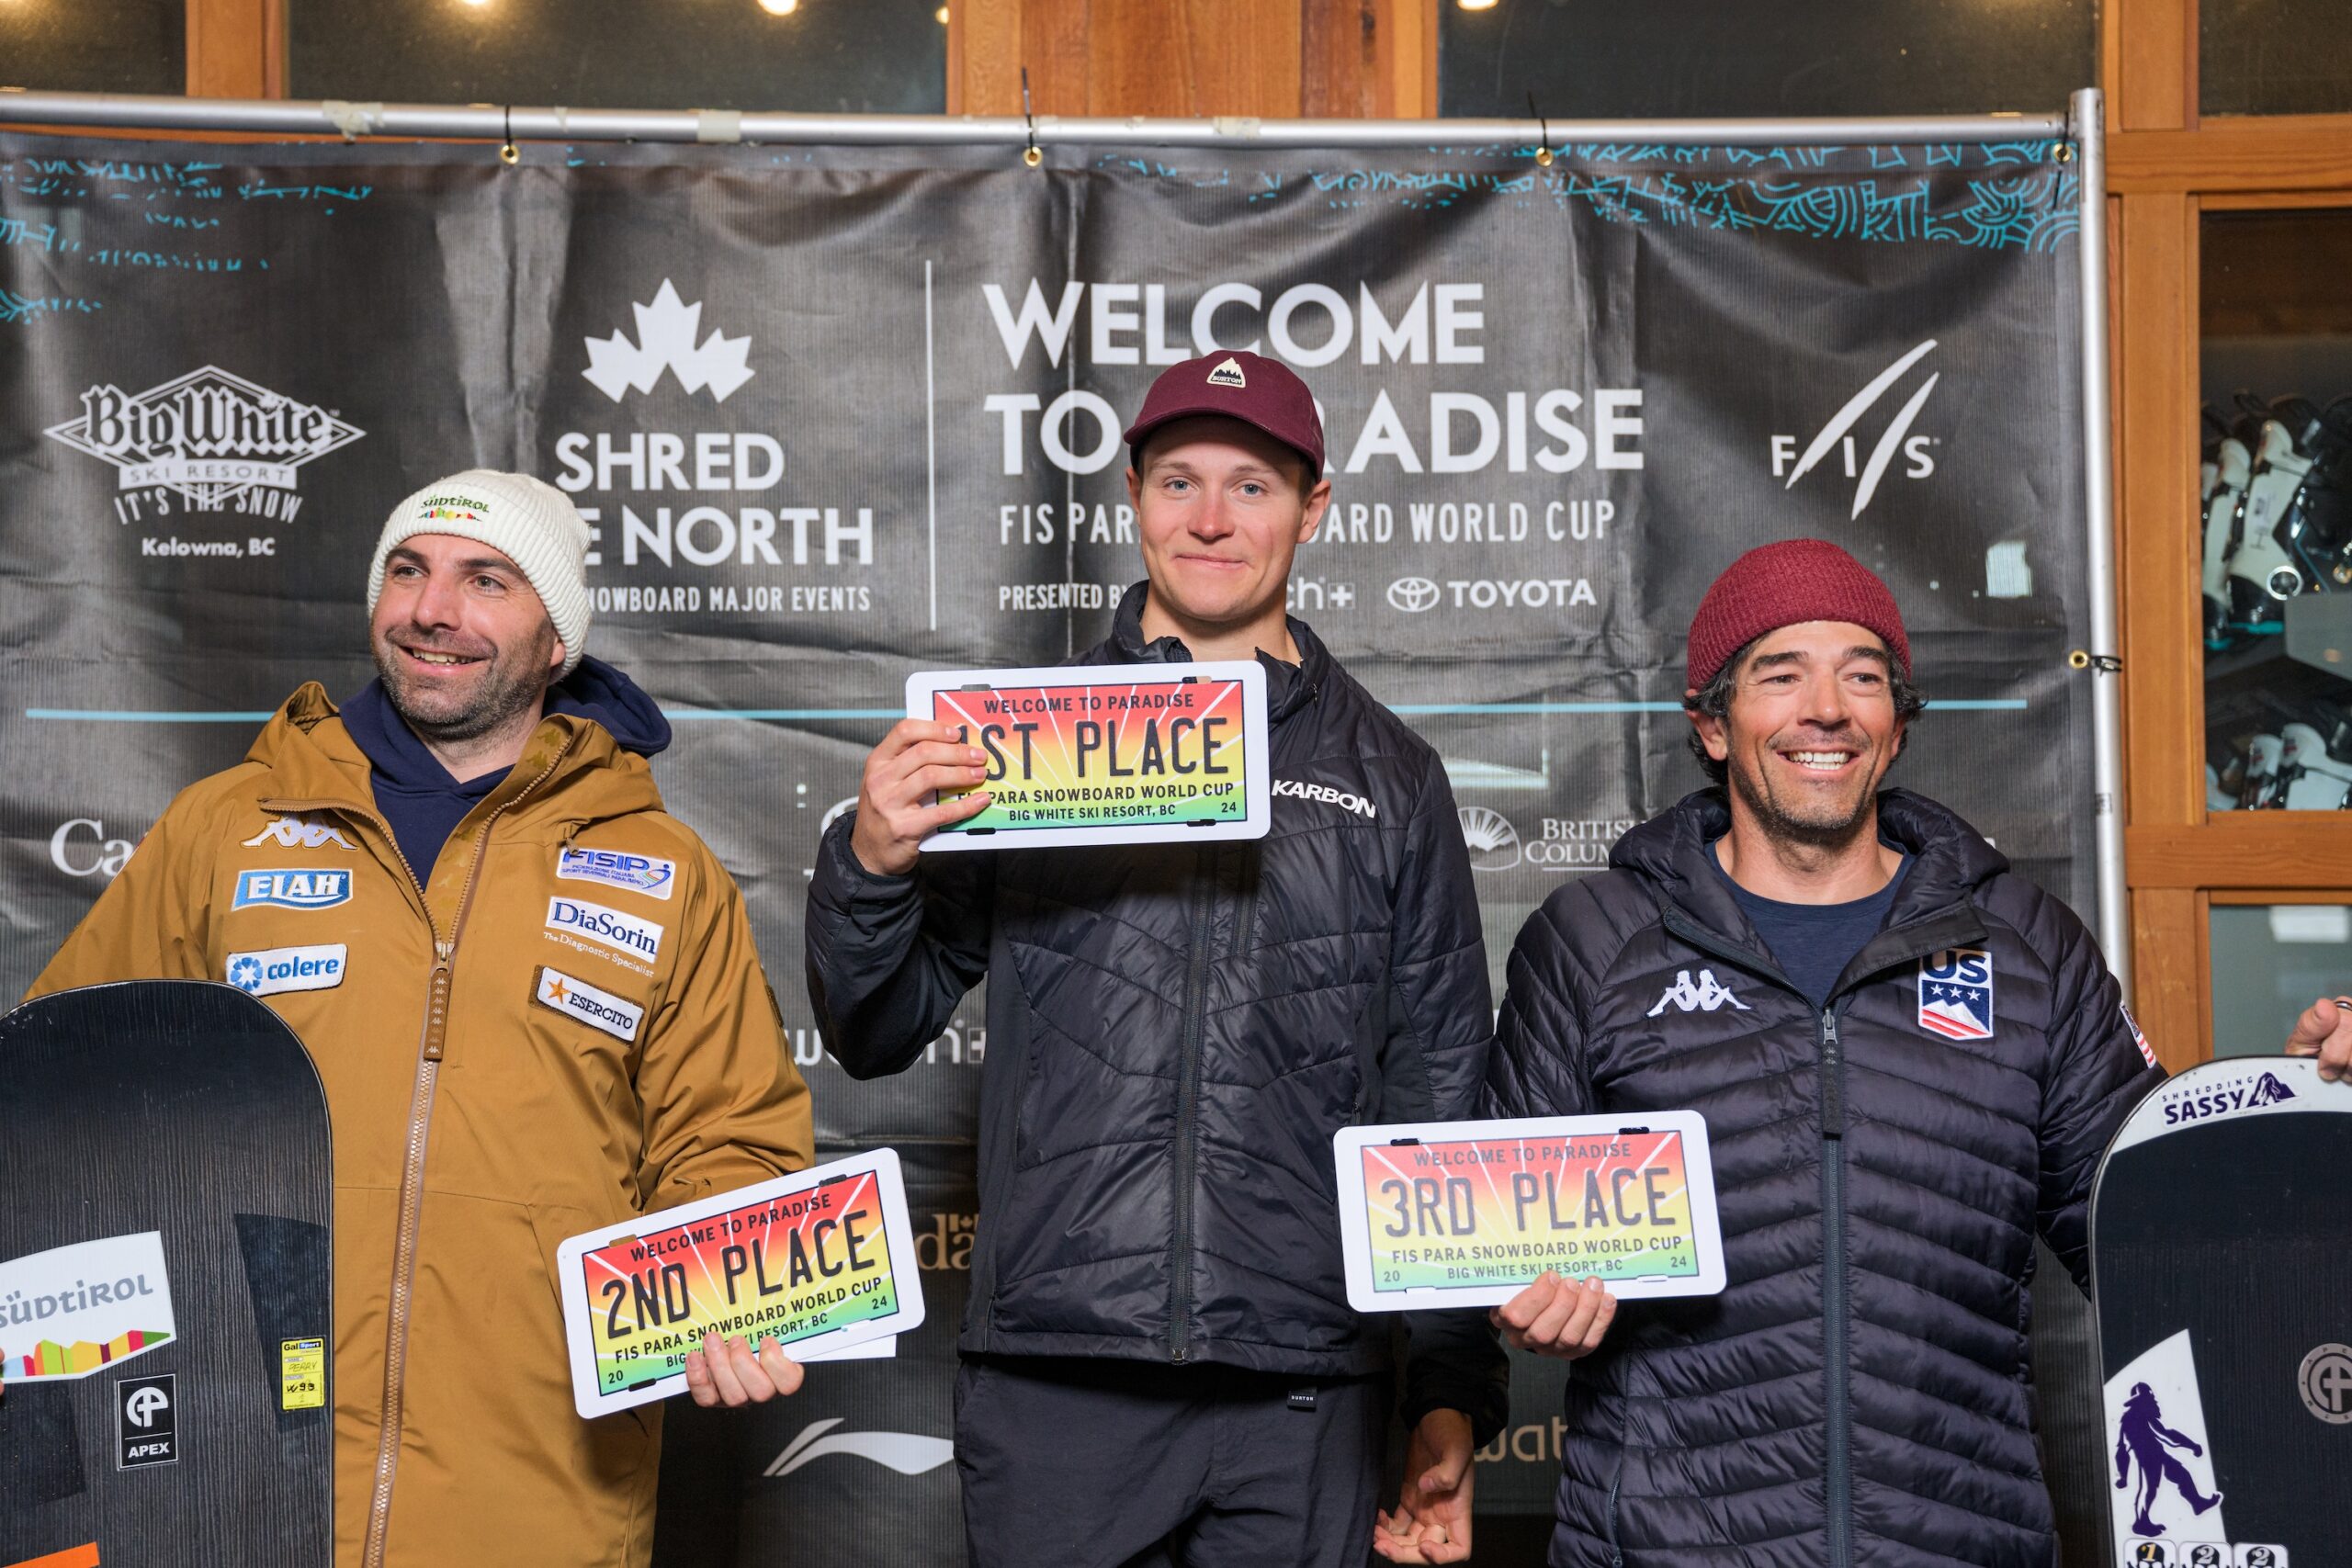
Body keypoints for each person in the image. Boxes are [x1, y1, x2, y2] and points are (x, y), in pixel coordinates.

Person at [24, 470, 813, 1568]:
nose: (431, 610)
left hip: (538, 1488)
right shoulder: (230, 828)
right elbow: (65, 1087)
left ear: (555, 641)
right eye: (408, 571)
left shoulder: (661, 873)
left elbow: (727, 1138)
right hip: (234, 1478)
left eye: (486, 580)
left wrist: (722, 1298)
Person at [805, 351, 1509, 1567]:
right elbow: (875, 1027)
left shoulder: (1392, 777)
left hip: (1305, 1377)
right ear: (1131, 493)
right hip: (1058, 1370)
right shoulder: (1016, 740)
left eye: (1253, 485)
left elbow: (1438, 1097)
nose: (1212, 518)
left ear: (1315, 506)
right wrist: (871, 857)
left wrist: (1446, 1383)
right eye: (1179, 480)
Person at [1484, 537, 2167, 1566]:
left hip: (1958, 1542)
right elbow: (1497, 1222)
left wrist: (2300, 1110)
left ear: (1893, 730)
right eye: (1780, 674)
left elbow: (2153, 1229)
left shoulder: (2025, 947)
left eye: (1861, 676)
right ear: (1710, 725)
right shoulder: (1593, 941)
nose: (1827, 710)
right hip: (1666, 1547)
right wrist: (1528, 1287)